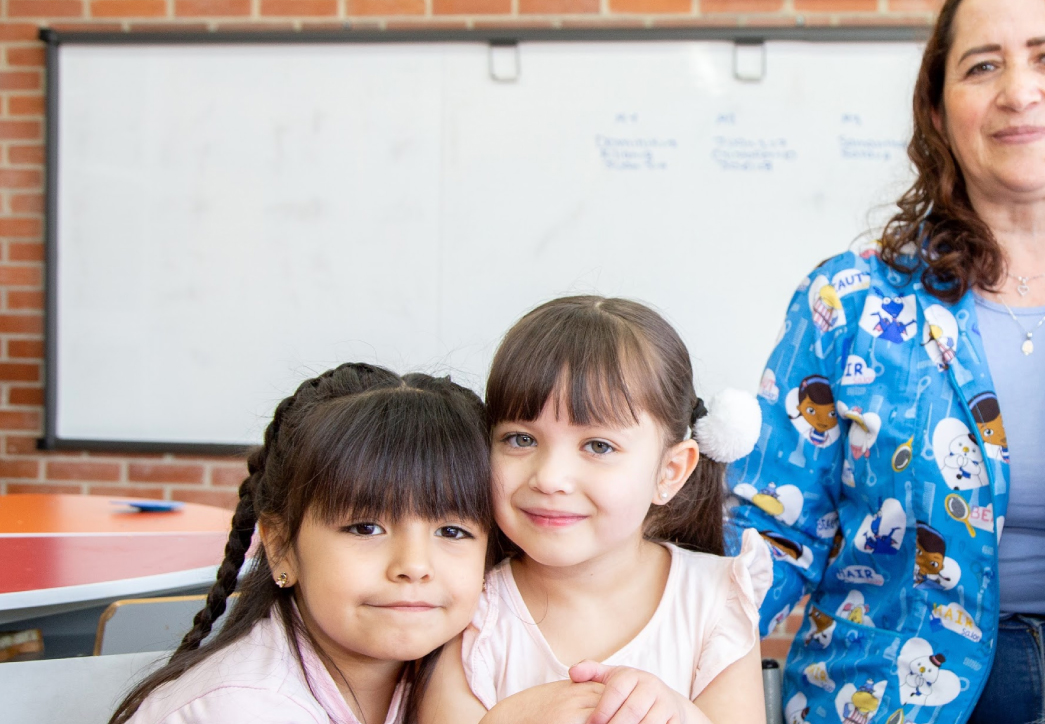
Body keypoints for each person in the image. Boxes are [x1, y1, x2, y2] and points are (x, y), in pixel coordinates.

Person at [727, 0, 1045, 724]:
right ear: (938, 110)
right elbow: (770, 528)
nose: (1018, 92)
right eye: (982, 66)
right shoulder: (847, 302)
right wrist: (651, 638)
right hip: (886, 692)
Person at [424, 296, 770, 724]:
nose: (549, 478)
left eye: (598, 446)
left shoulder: (716, 600)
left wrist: (677, 713)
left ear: (670, 471)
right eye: (520, 439)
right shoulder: (469, 607)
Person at [110, 363, 493, 724]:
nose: (413, 565)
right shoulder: (242, 709)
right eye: (365, 528)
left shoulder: (466, 669)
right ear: (281, 547)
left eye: (452, 532)